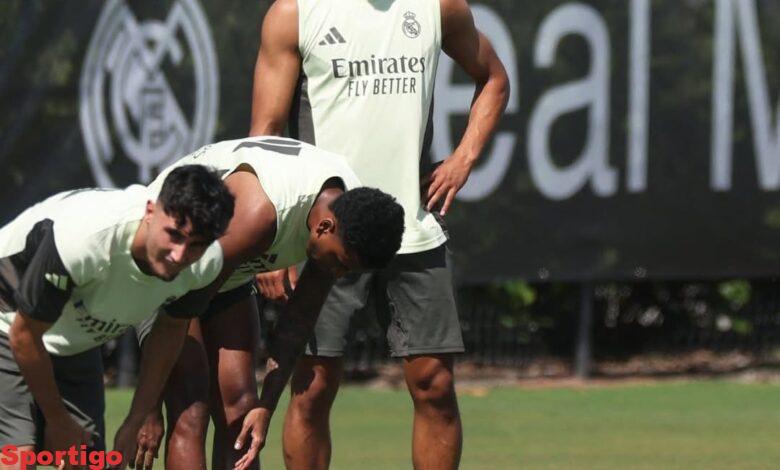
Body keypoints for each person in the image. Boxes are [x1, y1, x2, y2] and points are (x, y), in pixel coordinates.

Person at [248, 0, 509, 468]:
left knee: (435, 386)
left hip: (413, 228)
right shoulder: (294, 12)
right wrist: (272, 247)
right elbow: (264, 133)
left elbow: (493, 78)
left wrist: (463, 158)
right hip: (326, 237)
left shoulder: (439, 7)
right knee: (311, 388)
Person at [134, 136, 405, 470]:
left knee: (242, 409)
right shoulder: (257, 215)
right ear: (324, 227)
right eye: (340, 263)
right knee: (190, 404)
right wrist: (147, 407)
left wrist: (266, 406)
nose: (338, 273)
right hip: (168, 267)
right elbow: (179, 304)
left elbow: (300, 318)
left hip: (223, 268)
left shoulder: (346, 214)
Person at [0, 165, 234, 470]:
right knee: (18, 458)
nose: (179, 255)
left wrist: (136, 419)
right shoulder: (85, 241)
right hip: (9, 318)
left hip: (73, 335)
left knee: (87, 462)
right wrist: (58, 421)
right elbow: (24, 336)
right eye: (174, 235)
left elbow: (170, 330)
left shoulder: (205, 265)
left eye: (197, 244)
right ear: (150, 211)